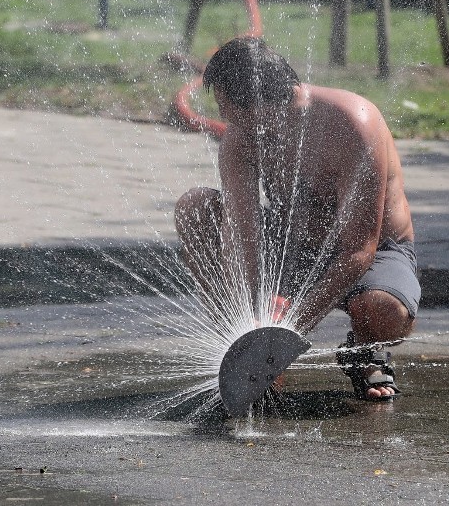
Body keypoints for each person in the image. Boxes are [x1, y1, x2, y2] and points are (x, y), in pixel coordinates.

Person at [174, 37, 420, 401]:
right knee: (195, 208)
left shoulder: (351, 124)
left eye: (228, 109)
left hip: (371, 252)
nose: (225, 120)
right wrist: (253, 322)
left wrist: (283, 339)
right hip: (296, 245)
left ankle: (365, 353)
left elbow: (359, 249)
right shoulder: (243, 137)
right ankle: (239, 348)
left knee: (384, 310)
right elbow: (242, 234)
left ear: (259, 103)